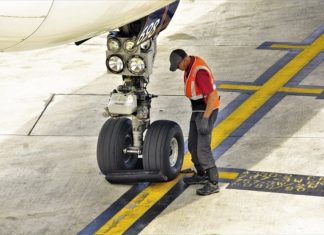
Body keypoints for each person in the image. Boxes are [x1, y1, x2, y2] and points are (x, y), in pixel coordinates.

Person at [169, 49, 220, 196]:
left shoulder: (199, 71)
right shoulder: (189, 66)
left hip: (207, 111)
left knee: (203, 147)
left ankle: (213, 182)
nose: (179, 69)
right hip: (197, 110)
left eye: (179, 65)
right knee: (192, 144)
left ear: (185, 60)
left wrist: (205, 119)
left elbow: (212, 96)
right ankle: (201, 174)